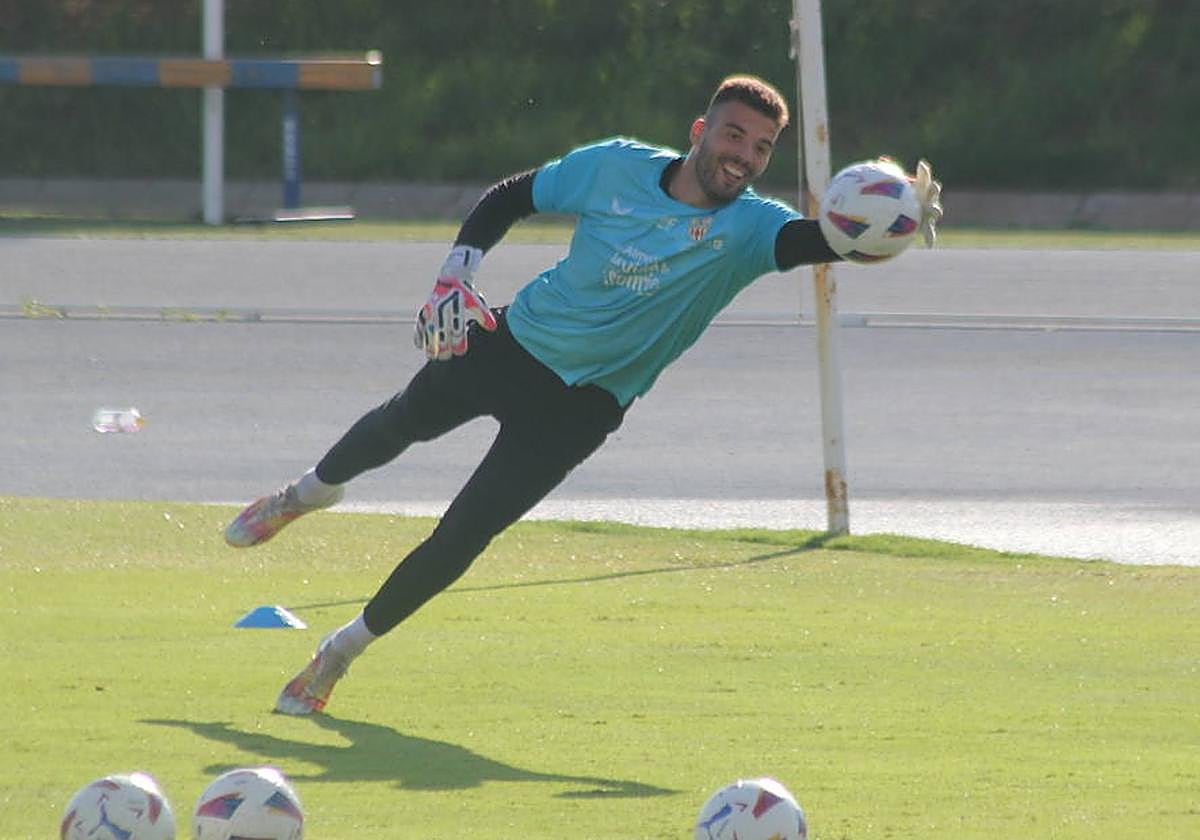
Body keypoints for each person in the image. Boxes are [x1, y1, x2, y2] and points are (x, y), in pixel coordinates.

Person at [224, 74, 942, 715]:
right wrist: (457, 270)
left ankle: (340, 652)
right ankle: (304, 494)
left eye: (760, 148)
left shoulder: (752, 229)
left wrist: (892, 223)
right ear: (699, 133)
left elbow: (826, 240)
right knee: (400, 421)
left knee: (466, 532)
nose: (743, 156)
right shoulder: (615, 166)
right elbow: (513, 196)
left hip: (584, 406)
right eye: (732, 135)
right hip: (512, 343)